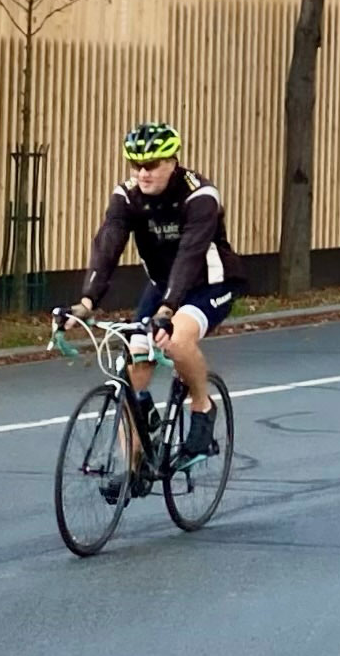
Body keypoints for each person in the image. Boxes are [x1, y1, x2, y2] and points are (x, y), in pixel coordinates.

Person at [72, 121, 231, 466]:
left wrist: (168, 309)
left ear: (172, 161)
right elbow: (108, 244)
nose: (143, 173)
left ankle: (202, 407)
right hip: (162, 286)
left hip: (210, 284)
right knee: (133, 367)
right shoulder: (128, 196)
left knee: (175, 340)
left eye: (152, 165)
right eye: (136, 165)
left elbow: (190, 255)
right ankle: (133, 465)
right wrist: (87, 301)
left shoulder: (199, 195)